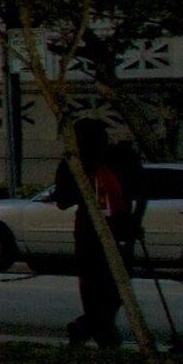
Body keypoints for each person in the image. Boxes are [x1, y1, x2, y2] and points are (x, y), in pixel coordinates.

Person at [61, 119, 135, 350]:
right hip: (89, 232)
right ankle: (103, 333)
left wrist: (133, 223)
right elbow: (63, 200)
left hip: (118, 228)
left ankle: (90, 326)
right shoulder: (74, 163)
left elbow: (137, 190)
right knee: (92, 287)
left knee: (117, 287)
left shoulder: (119, 159)